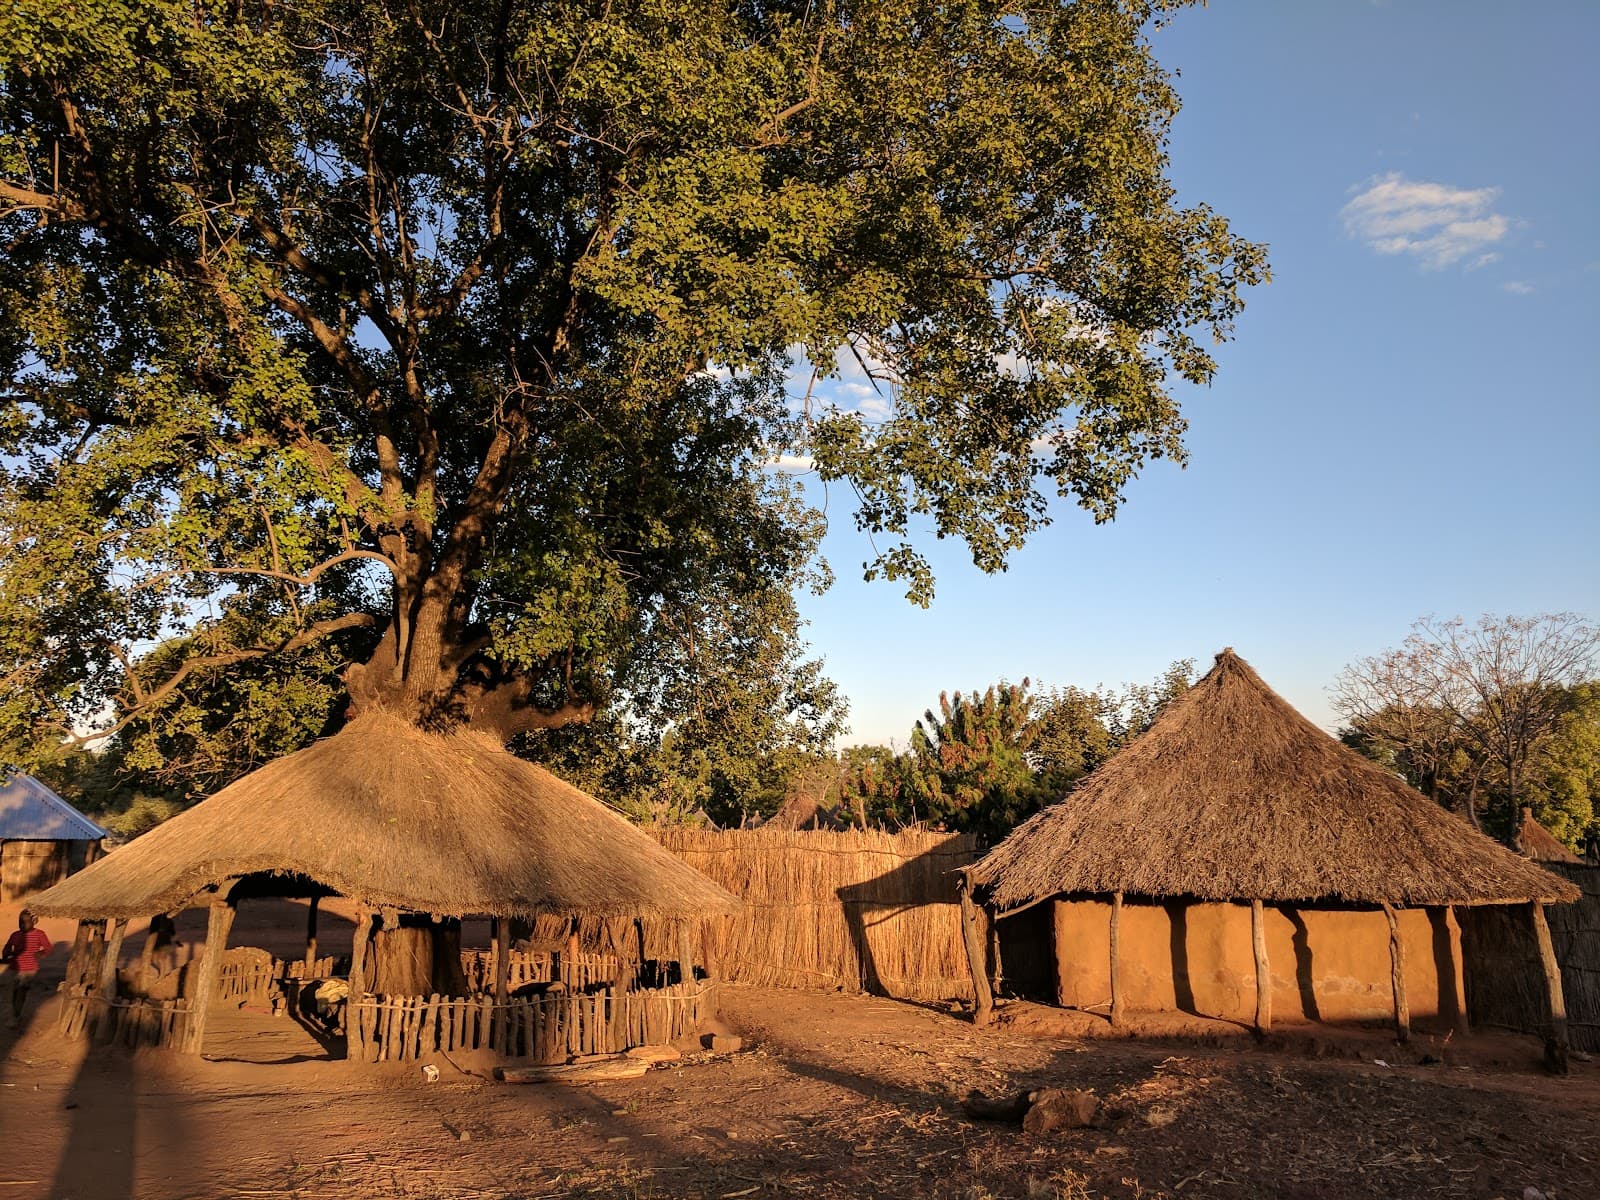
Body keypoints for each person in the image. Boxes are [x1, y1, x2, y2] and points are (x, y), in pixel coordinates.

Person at [2, 909, 53, 1027]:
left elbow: (48, 948)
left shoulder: (39, 934)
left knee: (21, 991)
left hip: (30, 969)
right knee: (16, 992)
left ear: (34, 922)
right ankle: (17, 1014)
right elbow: (7, 947)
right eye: (20, 922)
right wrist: (6, 954)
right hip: (15, 968)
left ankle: (15, 1017)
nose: (23, 924)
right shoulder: (15, 935)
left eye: (26, 922)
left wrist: (40, 954)